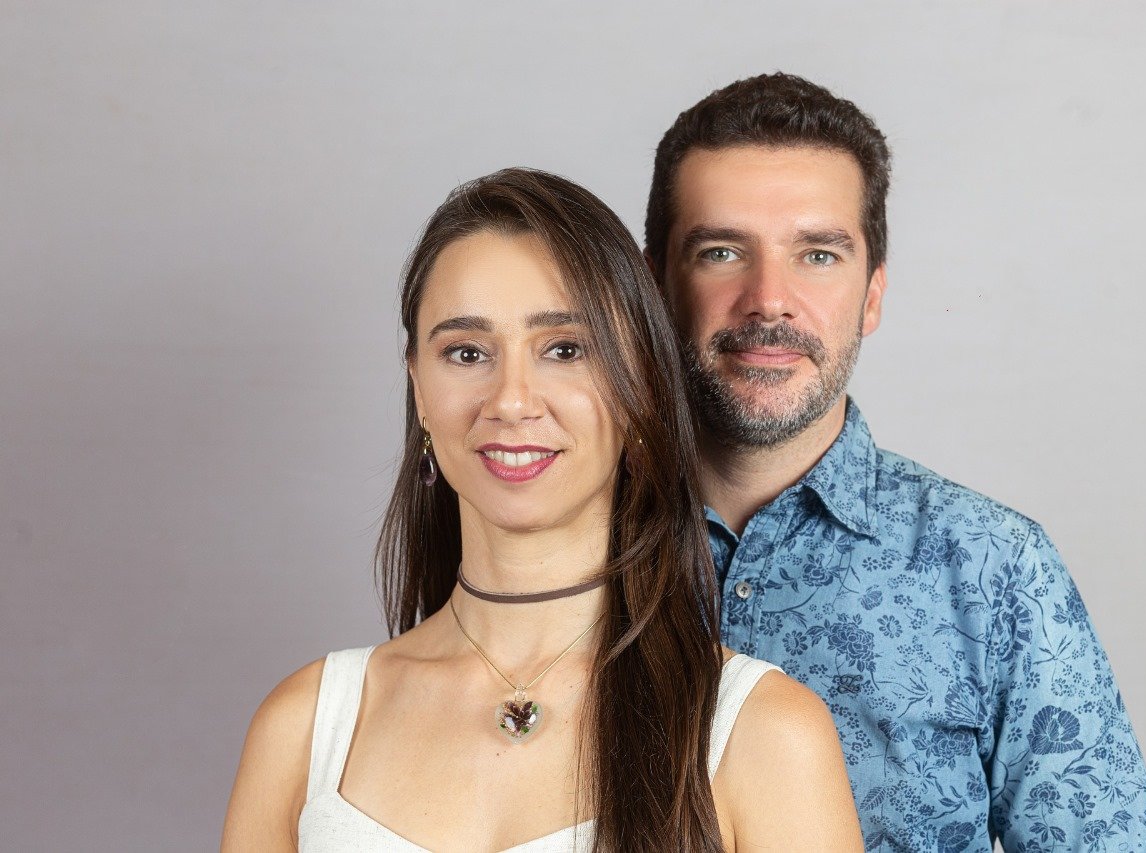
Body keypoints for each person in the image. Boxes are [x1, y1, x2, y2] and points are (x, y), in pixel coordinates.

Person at [220, 168, 861, 852]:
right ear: (419, 387)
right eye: (467, 352)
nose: (511, 400)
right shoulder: (303, 727)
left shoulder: (766, 733)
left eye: (564, 349)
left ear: (640, 382)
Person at [644, 73, 1146, 852]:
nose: (769, 299)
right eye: (722, 252)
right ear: (653, 287)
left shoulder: (995, 567)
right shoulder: (559, 545)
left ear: (872, 295)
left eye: (817, 254)